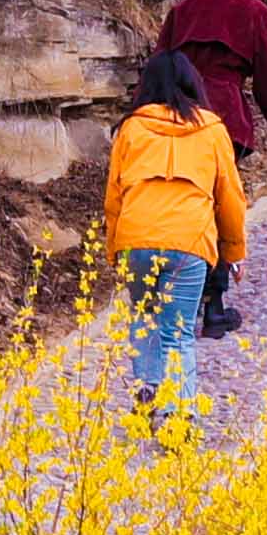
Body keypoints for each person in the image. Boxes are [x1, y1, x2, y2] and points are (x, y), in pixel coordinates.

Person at [156, 0, 267, 340]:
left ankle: (178, 295)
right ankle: (213, 305)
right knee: (218, 207)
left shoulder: (182, 10)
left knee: (180, 202)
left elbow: (158, 67)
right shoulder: (253, 11)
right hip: (223, 117)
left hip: (176, 114)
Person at [102, 48, 247, 412]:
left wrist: (114, 249)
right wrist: (233, 252)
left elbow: (114, 196)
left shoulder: (131, 128)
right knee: (178, 332)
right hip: (189, 241)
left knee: (144, 316)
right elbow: (230, 197)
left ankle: (148, 391)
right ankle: (176, 413)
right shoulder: (212, 130)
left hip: (136, 237)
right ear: (192, 83)